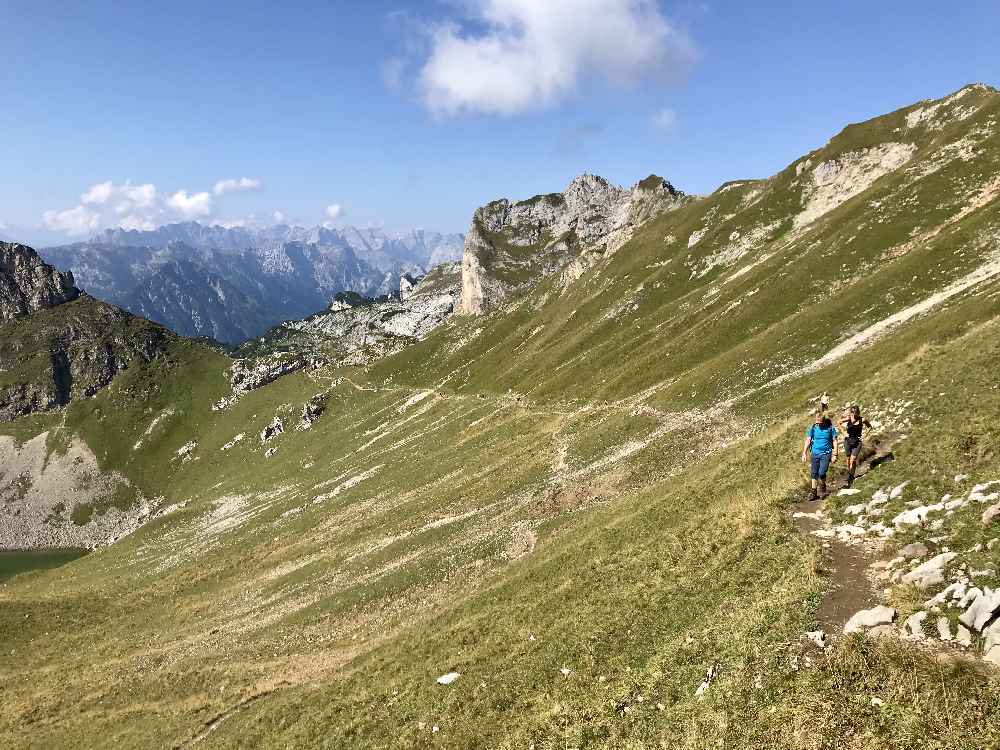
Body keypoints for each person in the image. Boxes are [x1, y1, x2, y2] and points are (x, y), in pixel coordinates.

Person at [802, 409, 838, 500]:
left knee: (822, 473)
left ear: (823, 420)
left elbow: (835, 441)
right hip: (814, 453)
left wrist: (835, 454)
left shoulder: (830, 428)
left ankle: (822, 489)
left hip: (826, 454)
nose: (818, 424)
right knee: (814, 473)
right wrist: (804, 453)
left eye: (820, 422)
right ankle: (813, 492)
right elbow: (808, 440)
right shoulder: (813, 428)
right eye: (817, 422)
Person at [840, 404, 873, 487]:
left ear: (858, 412)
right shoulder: (848, 418)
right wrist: (843, 432)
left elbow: (869, 427)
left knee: (853, 459)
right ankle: (849, 472)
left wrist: (865, 435)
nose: (854, 415)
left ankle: (851, 476)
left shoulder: (863, 419)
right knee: (848, 459)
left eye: (856, 413)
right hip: (847, 441)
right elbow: (838, 422)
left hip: (857, 442)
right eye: (853, 413)